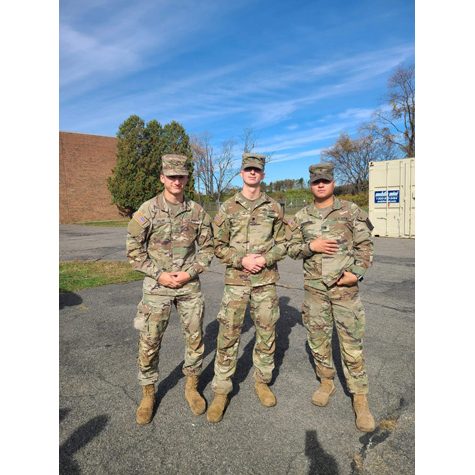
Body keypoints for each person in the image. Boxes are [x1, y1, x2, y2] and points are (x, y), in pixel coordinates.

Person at [286, 162, 376, 432]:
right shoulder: (301, 217)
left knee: (351, 343)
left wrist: (357, 273)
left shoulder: (350, 211)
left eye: (325, 180)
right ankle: (326, 383)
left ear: (333, 182)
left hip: (345, 290)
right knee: (318, 340)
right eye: (316, 182)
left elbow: (366, 244)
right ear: (310, 185)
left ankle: (360, 399)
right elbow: (289, 248)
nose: (321, 185)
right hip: (314, 290)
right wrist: (310, 246)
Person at [126, 154, 214, 425]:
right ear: (163, 178)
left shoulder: (197, 211)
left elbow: (209, 248)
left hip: (189, 286)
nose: (177, 181)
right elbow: (133, 250)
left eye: (181, 176)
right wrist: (159, 274)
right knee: (150, 341)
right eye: (171, 176)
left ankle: (192, 387)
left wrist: (189, 272)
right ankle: (148, 393)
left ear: (187, 178)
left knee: (196, 339)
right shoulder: (148, 210)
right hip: (157, 287)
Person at [206, 153, 288, 423]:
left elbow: (284, 243)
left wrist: (265, 259)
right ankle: (221, 389)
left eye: (257, 170)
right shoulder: (228, 208)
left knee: (266, 333)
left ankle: (262, 381)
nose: (252, 173)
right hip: (236, 282)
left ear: (263, 175)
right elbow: (217, 245)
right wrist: (241, 260)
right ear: (241, 173)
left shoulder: (274, 208)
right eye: (248, 169)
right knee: (228, 335)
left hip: (265, 282)